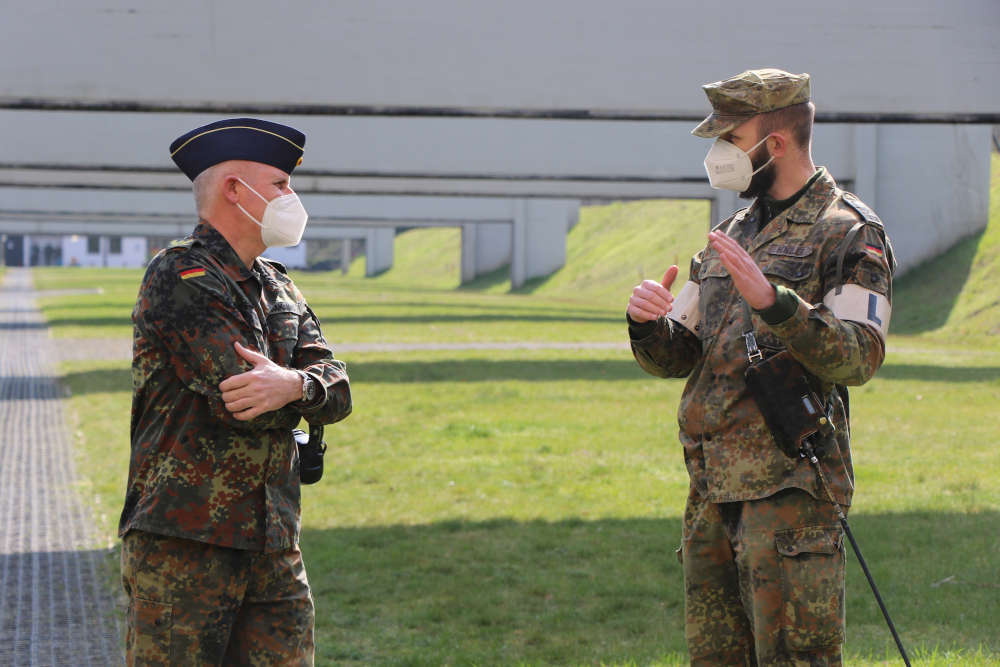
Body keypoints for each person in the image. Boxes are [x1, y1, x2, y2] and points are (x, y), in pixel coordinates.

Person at [626, 69, 895, 665]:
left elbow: (858, 355)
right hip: (712, 489)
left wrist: (778, 305)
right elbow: (682, 353)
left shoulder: (848, 232)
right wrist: (648, 325)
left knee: (796, 659)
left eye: (729, 138)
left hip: (790, 494)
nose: (719, 154)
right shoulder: (732, 234)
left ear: (774, 144)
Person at [118, 117, 352, 665]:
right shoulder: (180, 275)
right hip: (184, 543)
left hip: (274, 543)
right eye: (280, 185)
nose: (290, 198)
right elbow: (239, 400)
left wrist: (293, 384)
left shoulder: (280, 286)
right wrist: (304, 389)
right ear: (233, 190)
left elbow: (338, 390)